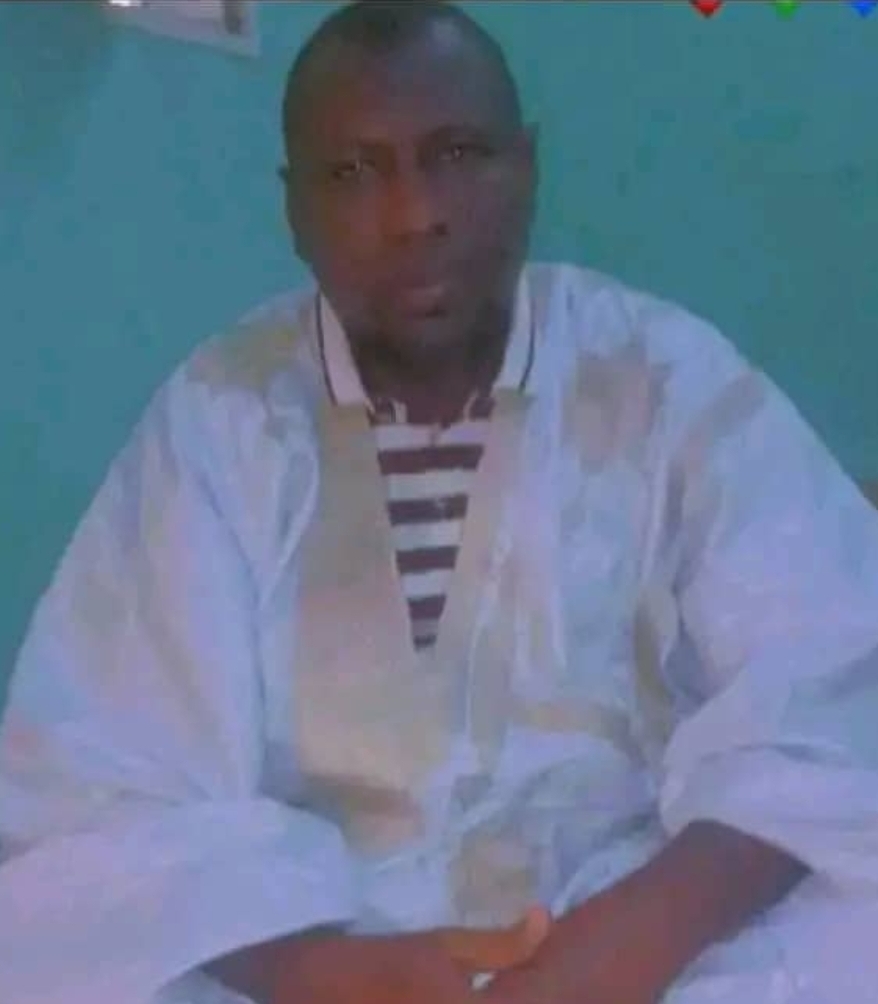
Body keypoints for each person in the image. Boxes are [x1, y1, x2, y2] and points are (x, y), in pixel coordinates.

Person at [1, 2, 877, 1002]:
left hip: (640, 928)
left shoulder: (660, 378)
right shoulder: (221, 422)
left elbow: (832, 686)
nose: (415, 214)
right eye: (352, 172)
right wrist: (320, 970)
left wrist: (631, 943)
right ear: (294, 212)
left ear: (526, 167)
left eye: (456, 154)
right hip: (314, 950)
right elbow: (98, 793)